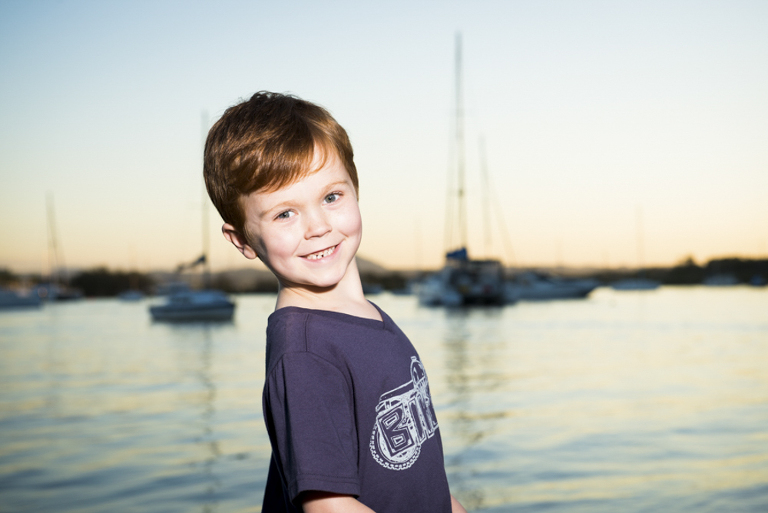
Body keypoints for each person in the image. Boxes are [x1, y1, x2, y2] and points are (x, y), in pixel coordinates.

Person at [204, 91, 467, 513]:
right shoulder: (306, 351)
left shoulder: (367, 319)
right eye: (284, 214)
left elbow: (417, 471)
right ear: (242, 240)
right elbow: (329, 507)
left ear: (355, 188)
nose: (318, 227)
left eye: (331, 197)